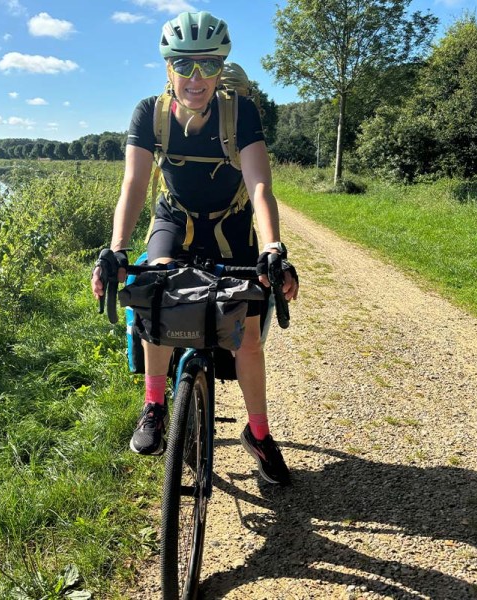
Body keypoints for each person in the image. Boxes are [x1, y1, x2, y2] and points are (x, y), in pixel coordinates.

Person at [91, 11, 299, 485]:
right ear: (168, 68)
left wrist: (273, 247)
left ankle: (259, 435)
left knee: (247, 328)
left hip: (232, 225)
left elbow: (261, 185)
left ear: (221, 67)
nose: (196, 77)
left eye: (207, 65)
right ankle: (154, 407)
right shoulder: (150, 113)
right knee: (155, 293)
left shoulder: (239, 112)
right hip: (176, 221)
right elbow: (134, 185)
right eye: (184, 65)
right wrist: (116, 249)